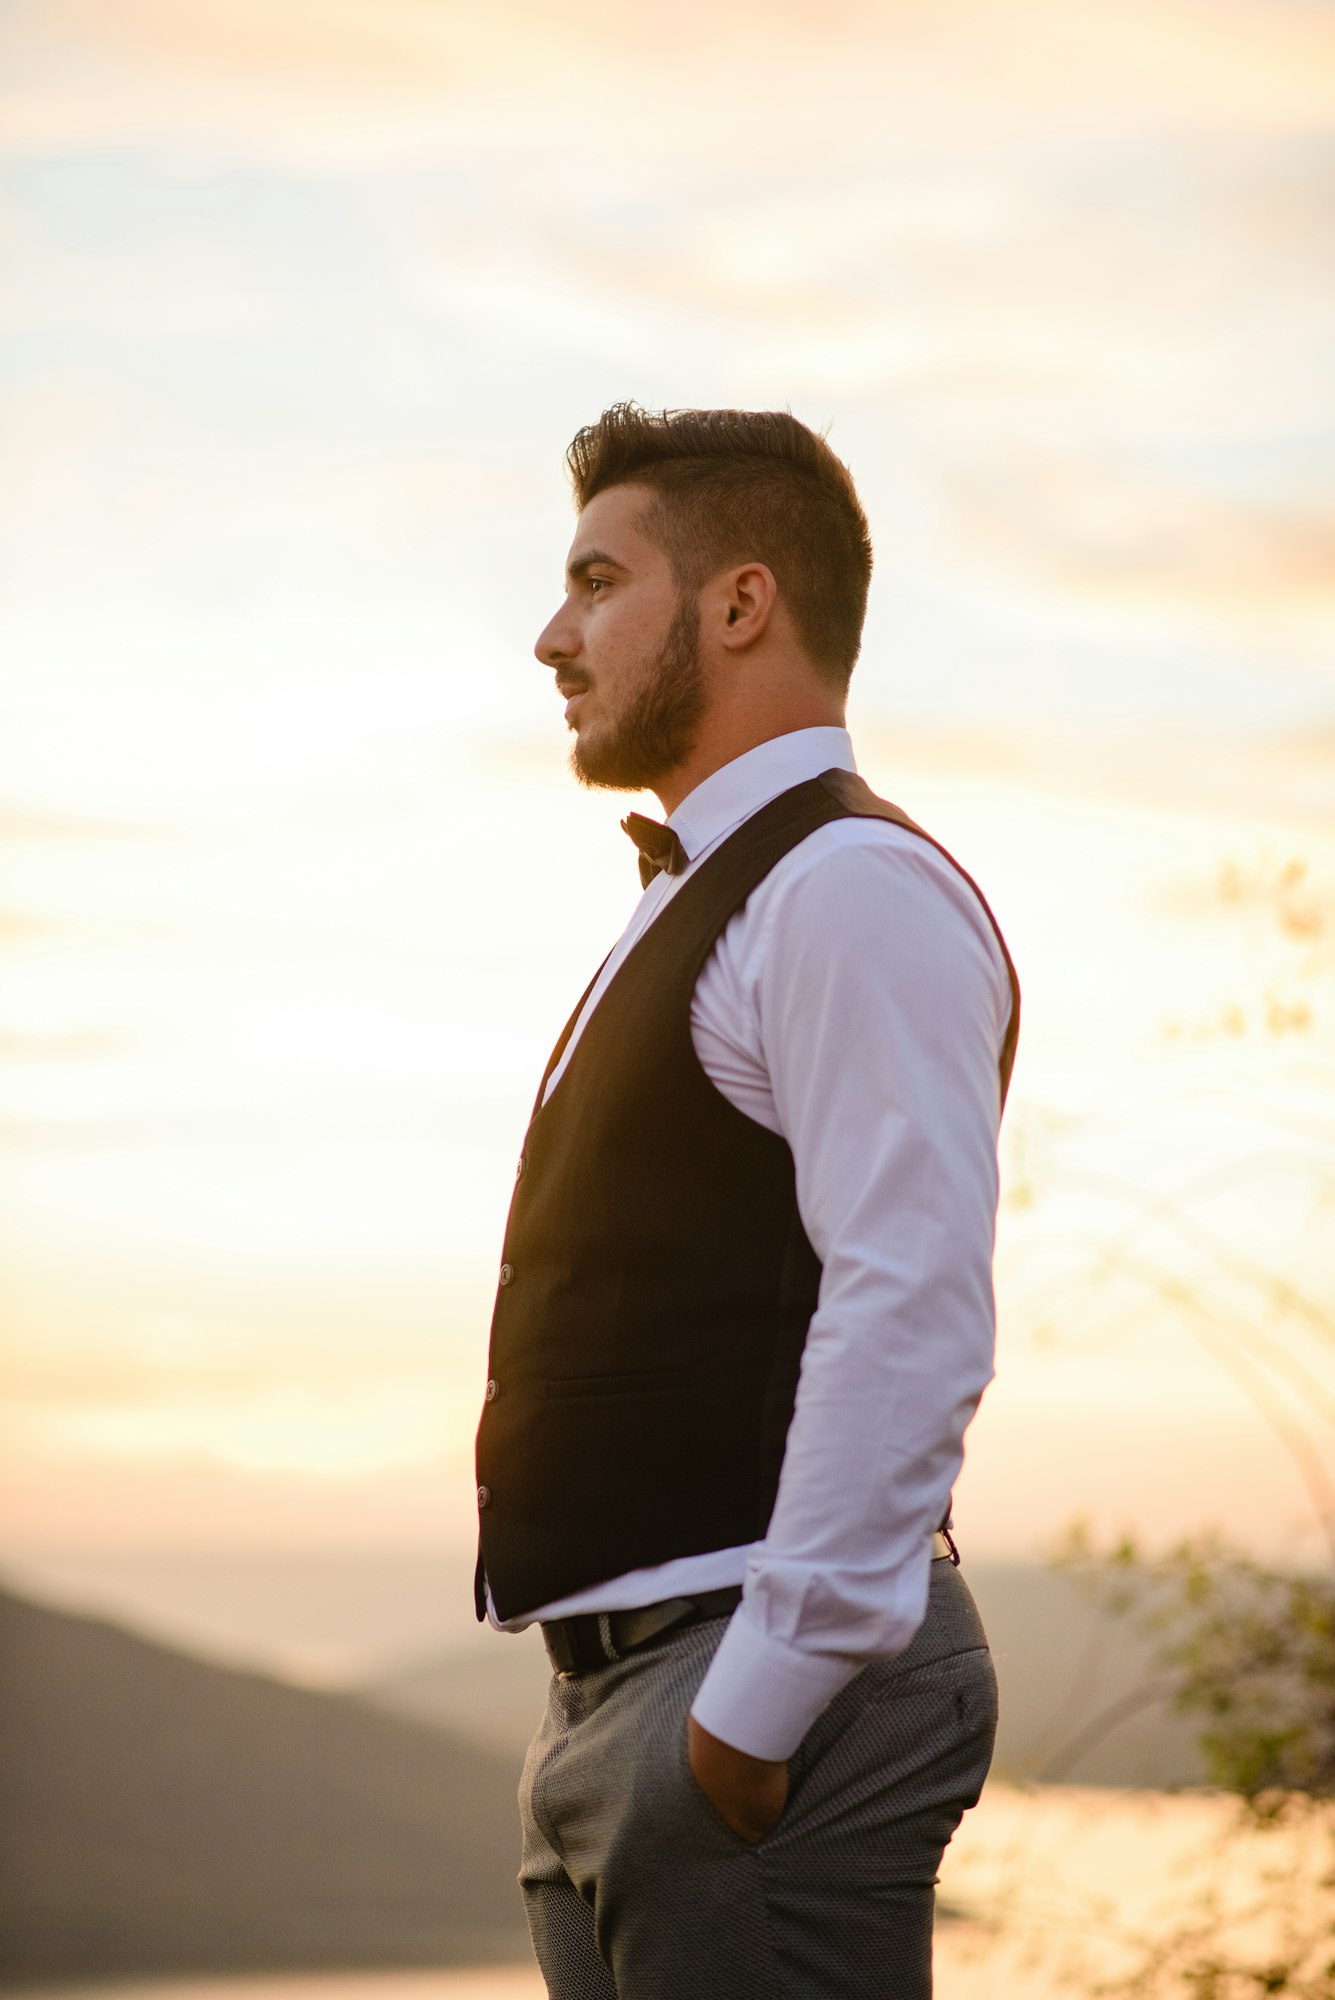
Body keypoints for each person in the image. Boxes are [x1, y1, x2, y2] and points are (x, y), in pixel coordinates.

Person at [473, 404, 1019, 1999]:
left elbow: (909, 1298)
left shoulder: (844, 889)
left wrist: (749, 1716)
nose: (550, 636)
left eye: (594, 580)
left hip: (741, 1697)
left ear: (739, 604)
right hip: (630, 1703)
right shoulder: (718, 890)